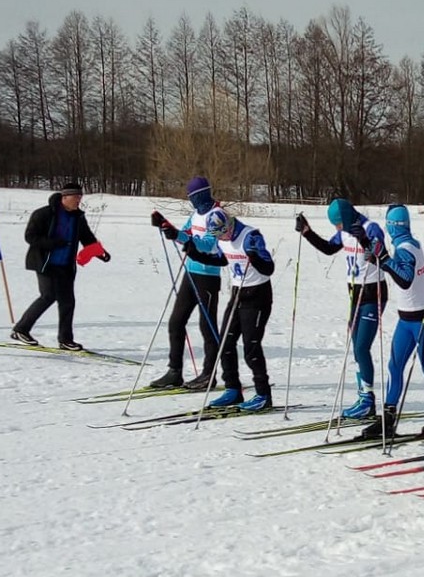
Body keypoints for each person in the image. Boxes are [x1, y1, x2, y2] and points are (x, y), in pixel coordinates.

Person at [361, 204, 424, 439]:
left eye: (388, 224)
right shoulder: (408, 243)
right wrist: (379, 259)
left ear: (392, 226)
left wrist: (384, 259)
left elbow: (405, 279)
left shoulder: (405, 248)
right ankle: (389, 418)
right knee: (394, 366)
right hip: (406, 319)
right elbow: (396, 269)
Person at [296, 198, 388, 419]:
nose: (337, 228)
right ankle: (363, 396)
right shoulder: (345, 232)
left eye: (338, 223)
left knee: (361, 348)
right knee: (356, 347)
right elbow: (329, 249)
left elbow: (380, 254)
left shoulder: (369, 227)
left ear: (346, 218)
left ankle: (368, 400)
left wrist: (365, 241)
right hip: (355, 294)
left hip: (372, 292)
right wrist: (307, 232)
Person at [184, 208, 275, 412]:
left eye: (224, 233)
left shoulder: (250, 236)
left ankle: (263, 395)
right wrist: (195, 253)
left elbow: (269, 268)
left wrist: (254, 257)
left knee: (251, 348)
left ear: (230, 226)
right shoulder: (221, 237)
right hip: (237, 294)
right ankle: (233, 389)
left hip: (258, 296)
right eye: (218, 236)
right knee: (224, 341)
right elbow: (222, 260)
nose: (222, 238)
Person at [11, 181, 110, 350]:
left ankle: (65, 340)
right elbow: (30, 237)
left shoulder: (78, 217)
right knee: (48, 296)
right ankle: (21, 330)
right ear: (65, 197)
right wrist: (53, 243)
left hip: (65, 265)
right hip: (45, 263)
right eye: (75, 197)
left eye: (80, 197)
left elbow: (87, 237)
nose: (79, 200)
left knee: (67, 302)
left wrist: (99, 252)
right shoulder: (43, 214)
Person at [147, 176, 223, 390]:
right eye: (192, 197)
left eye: (196, 196)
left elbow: (209, 244)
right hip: (190, 273)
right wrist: (166, 226)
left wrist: (184, 238)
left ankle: (209, 374)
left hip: (208, 275)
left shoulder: (218, 215)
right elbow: (186, 233)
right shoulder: (196, 214)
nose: (194, 200)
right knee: (175, 321)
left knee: (207, 327)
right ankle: (174, 372)